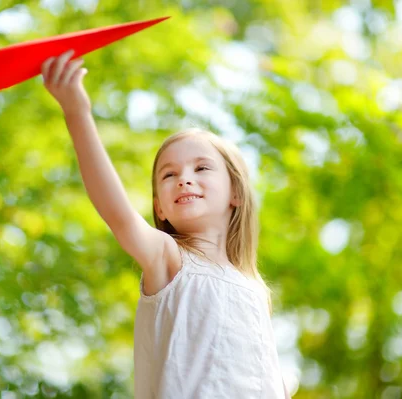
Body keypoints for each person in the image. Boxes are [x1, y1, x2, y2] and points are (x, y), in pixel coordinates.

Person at [42, 50, 290, 399]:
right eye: (169, 174)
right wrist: (76, 112)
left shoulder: (253, 289)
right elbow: (118, 214)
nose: (184, 179)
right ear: (159, 205)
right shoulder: (169, 258)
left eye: (201, 168)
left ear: (236, 192)